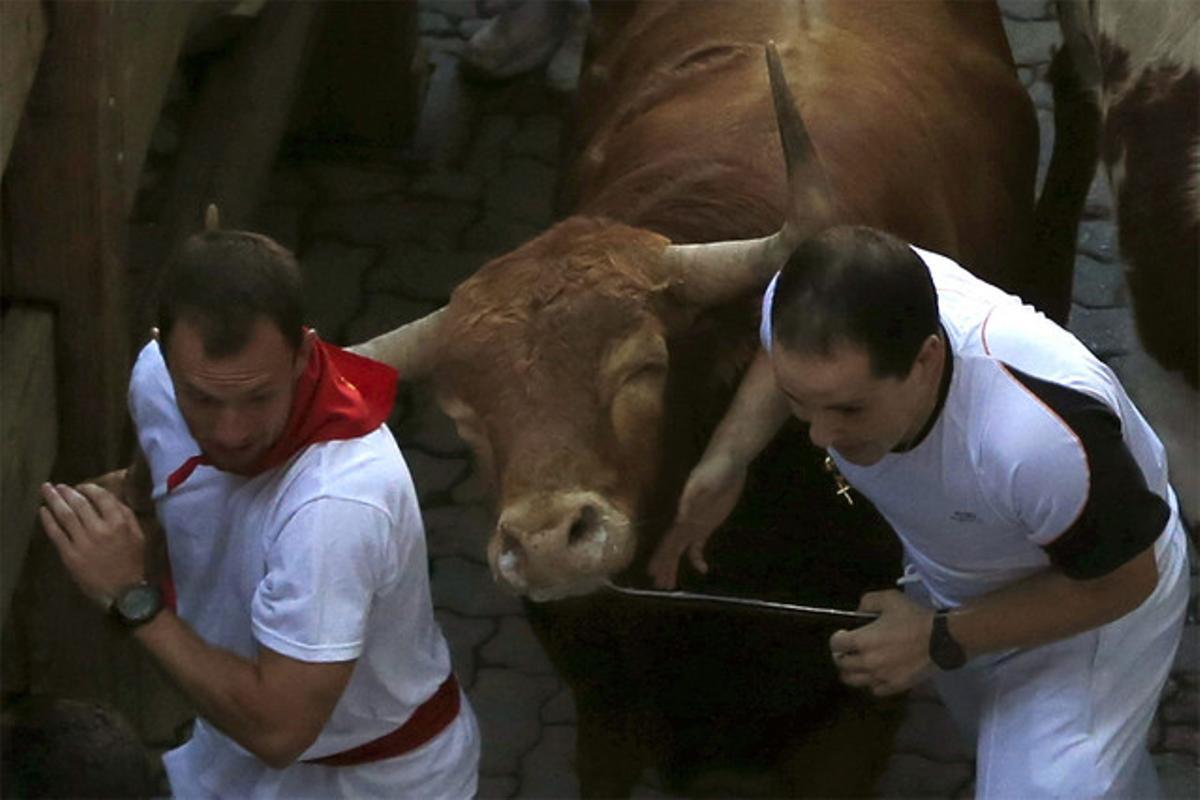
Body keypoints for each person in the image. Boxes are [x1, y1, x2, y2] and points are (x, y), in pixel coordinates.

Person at [648, 225, 1190, 798]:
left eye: (849, 409)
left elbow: (1125, 580)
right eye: (799, 401)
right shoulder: (804, 306)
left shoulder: (1038, 438)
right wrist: (728, 460)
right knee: (1075, 771)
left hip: (1093, 607)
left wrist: (936, 637)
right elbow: (781, 358)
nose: (820, 436)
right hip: (958, 587)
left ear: (928, 360)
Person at [38, 225, 480, 798]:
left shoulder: (337, 504)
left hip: (372, 783)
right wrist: (133, 509)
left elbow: (279, 730)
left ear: (303, 353)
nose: (230, 432)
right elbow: (154, 463)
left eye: (257, 397)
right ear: (163, 351)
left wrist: (130, 595)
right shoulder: (154, 378)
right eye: (202, 398)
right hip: (225, 761)